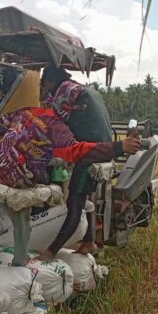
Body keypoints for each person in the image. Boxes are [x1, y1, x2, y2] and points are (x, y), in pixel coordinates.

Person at [0, 105, 140, 266]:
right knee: (22, 228)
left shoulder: (29, 112)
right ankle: (20, 266)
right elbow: (80, 152)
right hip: (17, 188)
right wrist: (119, 147)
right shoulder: (59, 132)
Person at [37, 66, 115, 260]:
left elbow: (48, 121)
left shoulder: (64, 92)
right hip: (103, 148)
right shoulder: (79, 89)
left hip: (90, 153)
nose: (43, 87)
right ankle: (88, 241)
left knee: (74, 204)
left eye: (43, 83)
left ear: (50, 81)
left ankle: (51, 251)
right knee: (83, 197)